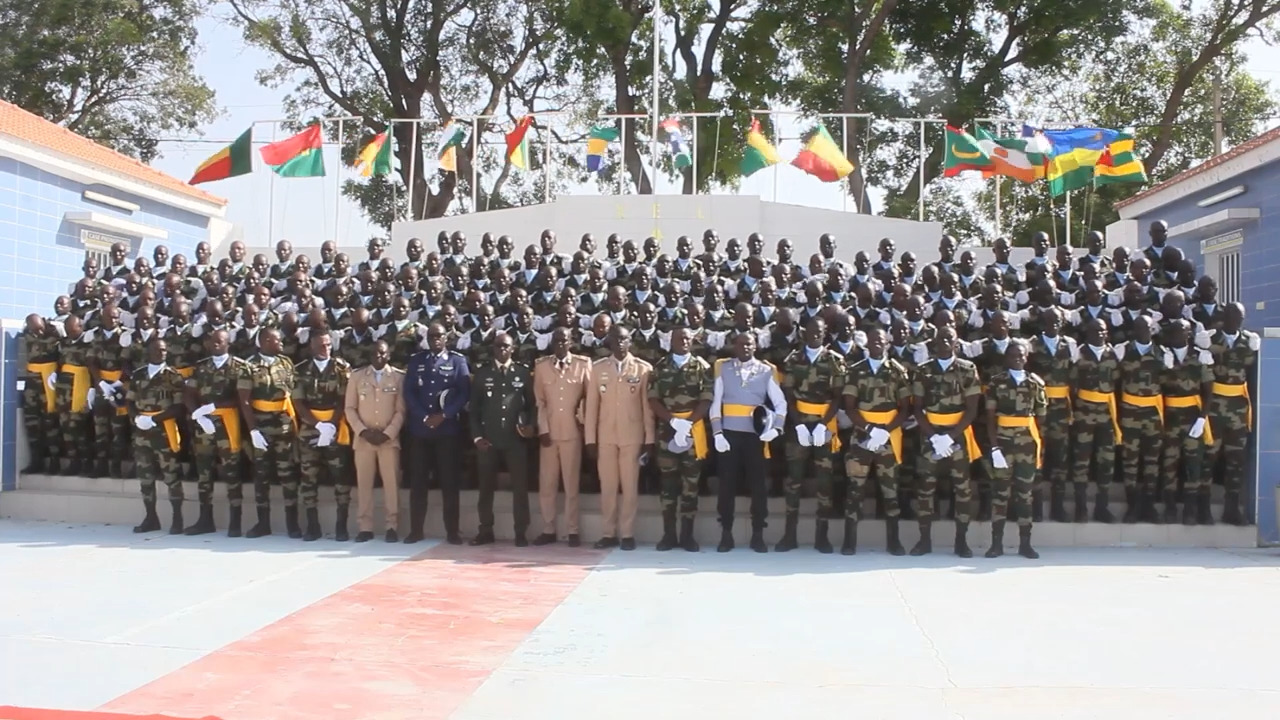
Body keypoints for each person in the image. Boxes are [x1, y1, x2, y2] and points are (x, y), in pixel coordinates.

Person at [708, 332, 786, 553]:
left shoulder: (766, 370)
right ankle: (726, 534)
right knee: (726, 485)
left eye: (749, 344)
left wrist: (776, 428)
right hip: (729, 435)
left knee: (758, 486)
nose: (745, 347)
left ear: (756, 346)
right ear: (734, 346)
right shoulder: (723, 367)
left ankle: (758, 534)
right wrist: (717, 433)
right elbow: (716, 403)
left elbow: (781, 404)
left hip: (755, 436)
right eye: (741, 344)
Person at [911, 325, 981, 557]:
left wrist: (949, 437)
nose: (943, 343)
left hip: (957, 437)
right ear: (933, 343)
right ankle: (924, 540)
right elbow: (917, 409)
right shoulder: (923, 371)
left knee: (962, 490)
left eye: (948, 339)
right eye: (940, 339)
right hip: (930, 436)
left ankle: (961, 540)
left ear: (956, 343)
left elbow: (972, 410)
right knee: (925, 489)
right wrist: (934, 437)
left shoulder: (967, 369)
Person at [585, 324, 655, 550]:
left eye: (624, 339)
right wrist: (590, 439)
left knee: (630, 487)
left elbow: (647, 409)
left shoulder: (643, 369)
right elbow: (591, 408)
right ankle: (608, 533)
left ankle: (627, 533)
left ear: (630, 342)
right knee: (608, 487)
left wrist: (649, 439)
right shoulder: (597, 369)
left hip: (632, 437)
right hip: (605, 437)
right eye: (616, 340)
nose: (620, 344)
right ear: (610, 343)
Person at [779, 316, 846, 553]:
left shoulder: (834, 361)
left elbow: (838, 397)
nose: (815, 335)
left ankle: (822, 536)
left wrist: (823, 424)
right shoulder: (794, 359)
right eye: (811, 331)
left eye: (819, 331)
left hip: (824, 426)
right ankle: (789, 535)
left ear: (825, 332)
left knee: (824, 482)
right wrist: (798, 424)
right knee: (793, 481)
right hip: (799, 423)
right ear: (804, 333)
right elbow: (788, 394)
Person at [843, 327, 912, 556]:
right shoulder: (856, 371)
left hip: (889, 436)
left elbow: (905, 408)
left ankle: (894, 540)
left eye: (880, 341)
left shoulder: (897, 371)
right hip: (862, 436)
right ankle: (849, 540)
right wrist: (870, 429)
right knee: (855, 488)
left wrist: (886, 430)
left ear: (887, 344)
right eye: (872, 341)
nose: (876, 344)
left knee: (890, 489)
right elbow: (850, 407)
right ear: (867, 344)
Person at [404, 322, 471, 544]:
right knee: (418, 483)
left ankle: (452, 531)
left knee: (449, 483)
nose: (435, 339)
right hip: (420, 430)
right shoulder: (417, 361)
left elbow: (463, 393)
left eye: (439, 336)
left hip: (447, 431)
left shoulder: (457, 361)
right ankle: (416, 530)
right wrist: (424, 416)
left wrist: (445, 415)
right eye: (431, 336)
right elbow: (409, 393)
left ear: (446, 338)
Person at [469, 332, 538, 546]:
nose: (502, 350)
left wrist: (531, 427)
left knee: (520, 488)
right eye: (498, 346)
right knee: (486, 488)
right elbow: (473, 411)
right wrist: (477, 437)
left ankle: (520, 532)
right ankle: (485, 530)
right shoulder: (482, 374)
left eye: (506, 346)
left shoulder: (523, 373)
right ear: (493, 349)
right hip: (489, 440)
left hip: (514, 440)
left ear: (513, 348)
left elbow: (532, 406)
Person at [648, 326, 713, 552]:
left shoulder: (702, 367)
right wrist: (673, 422)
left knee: (690, 486)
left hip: (692, 432)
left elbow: (706, 400)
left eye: (688, 338)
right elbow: (653, 399)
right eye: (680, 338)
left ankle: (687, 536)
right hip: (668, 431)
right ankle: (668, 535)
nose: (684, 341)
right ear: (671, 341)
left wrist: (688, 423)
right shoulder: (660, 367)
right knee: (668, 486)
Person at [984, 340, 1046, 558]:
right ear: (1006, 358)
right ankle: (996, 543)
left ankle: (1025, 544)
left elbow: (1041, 417)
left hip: (1027, 444)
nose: (1017, 358)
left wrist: (1040, 447)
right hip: (1003, 442)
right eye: (1012, 355)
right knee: (1000, 493)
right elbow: (990, 418)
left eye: (1021, 355)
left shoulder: (1036, 383)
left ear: (1026, 357)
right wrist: (994, 448)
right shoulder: (996, 383)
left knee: (1025, 494)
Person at [185, 329, 249, 535]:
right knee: (204, 473)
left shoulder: (239, 367)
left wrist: (214, 406)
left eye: (220, 342)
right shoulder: (202, 367)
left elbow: (242, 398)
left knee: (232, 472)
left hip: (228, 425)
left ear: (228, 343)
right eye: (212, 342)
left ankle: (235, 521)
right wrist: (198, 414)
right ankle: (205, 519)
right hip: (205, 427)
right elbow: (189, 394)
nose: (215, 345)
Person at [237, 327, 300, 538]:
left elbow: (293, 392)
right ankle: (263, 523)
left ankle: (293, 523)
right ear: (264, 341)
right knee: (261, 476)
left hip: (283, 426)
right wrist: (253, 429)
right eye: (276, 339)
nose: (281, 342)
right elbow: (244, 400)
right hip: (261, 428)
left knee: (287, 474)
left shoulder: (286, 363)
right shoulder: (249, 366)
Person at [532, 327, 592, 546]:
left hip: (572, 432)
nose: (560, 344)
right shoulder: (541, 366)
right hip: (549, 433)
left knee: (571, 484)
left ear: (570, 342)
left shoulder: (582, 365)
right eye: (556, 341)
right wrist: (542, 429)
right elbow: (540, 401)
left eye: (564, 341)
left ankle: (572, 530)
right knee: (547, 484)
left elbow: (589, 397)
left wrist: (583, 419)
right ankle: (548, 529)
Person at [292, 332, 354, 541]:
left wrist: (331, 425)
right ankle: (312, 525)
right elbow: (299, 403)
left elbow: (344, 399)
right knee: (308, 477)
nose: (325, 348)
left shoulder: (341, 368)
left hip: (335, 426)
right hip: (311, 426)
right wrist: (318, 424)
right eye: (321, 345)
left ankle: (341, 526)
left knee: (340, 476)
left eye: (328, 345)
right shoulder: (301, 370)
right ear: (312, 347)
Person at [344, 340, 406, 542]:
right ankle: (365, 526)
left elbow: (401, 410)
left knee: (391, 483)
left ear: (388, 355)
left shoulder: (398, 377)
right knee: (364, 483)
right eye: (374, 354)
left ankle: (392, 526)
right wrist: (362, 431)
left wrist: (388, 433)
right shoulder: (357, 377)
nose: (378, 357)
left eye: (382, 353)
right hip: (364, 440)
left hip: (388, 439)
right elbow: (349, 408)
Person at [126, 337, 187, 534]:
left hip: (163, 431)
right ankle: (151, 518)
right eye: (158, 350)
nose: (162, 353)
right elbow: (129, 402)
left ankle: (177, 518)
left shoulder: (173, 376)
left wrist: (155, 419)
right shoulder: (138, 375)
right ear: (149, 351)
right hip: (142, 432)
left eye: (164, 350)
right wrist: (137, 418)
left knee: (171, 475)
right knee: (145, 477)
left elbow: (178, 407)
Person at [1158, 319, 1215, 525]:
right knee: (1169, 464)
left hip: (1192, 417)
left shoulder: (1200, 357)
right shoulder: (1162, 355)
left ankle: (1190, 510)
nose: (1176, 334)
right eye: (1173, 331)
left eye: (1181, 331)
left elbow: (1208, 392)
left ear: (1189, 334)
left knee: (1194, 465)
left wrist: (1202, 418)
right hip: (1170, 417)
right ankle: (1170, 508)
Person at [1068, 319, 1121, 523]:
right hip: (1084, 414)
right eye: (1096, 330)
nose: (1100, 334)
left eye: (1104, 330)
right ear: (1087, 333)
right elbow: (1072, 384)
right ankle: (1081, 507)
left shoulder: (1113, 354)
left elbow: (1117, 381)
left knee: (1106, 461)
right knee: (1081, 460)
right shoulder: (1079, 354)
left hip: (1107, 414)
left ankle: (1102, 506)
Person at [1116, 317, 1166, 523]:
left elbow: (1168, 380)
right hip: (1130, 412)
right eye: (1138, 328)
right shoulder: (1124, 351)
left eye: (1146, 327)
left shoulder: (1162, 353)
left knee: (1152, 460)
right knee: (1130, 460)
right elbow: (1116, 380)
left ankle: (1149, 503)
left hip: (1153, 412)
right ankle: (1132, 504)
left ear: (1152, 330)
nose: (1143, 331)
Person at [20, 314, 60, 474]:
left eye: (40, 328)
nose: (37, 331)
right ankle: (36, 461)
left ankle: (55, 461)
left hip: (49, 382)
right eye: (34, 329)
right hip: (32, 385)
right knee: (31, 423)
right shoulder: (27, 334)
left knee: (51, 423)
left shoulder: (54, 333)